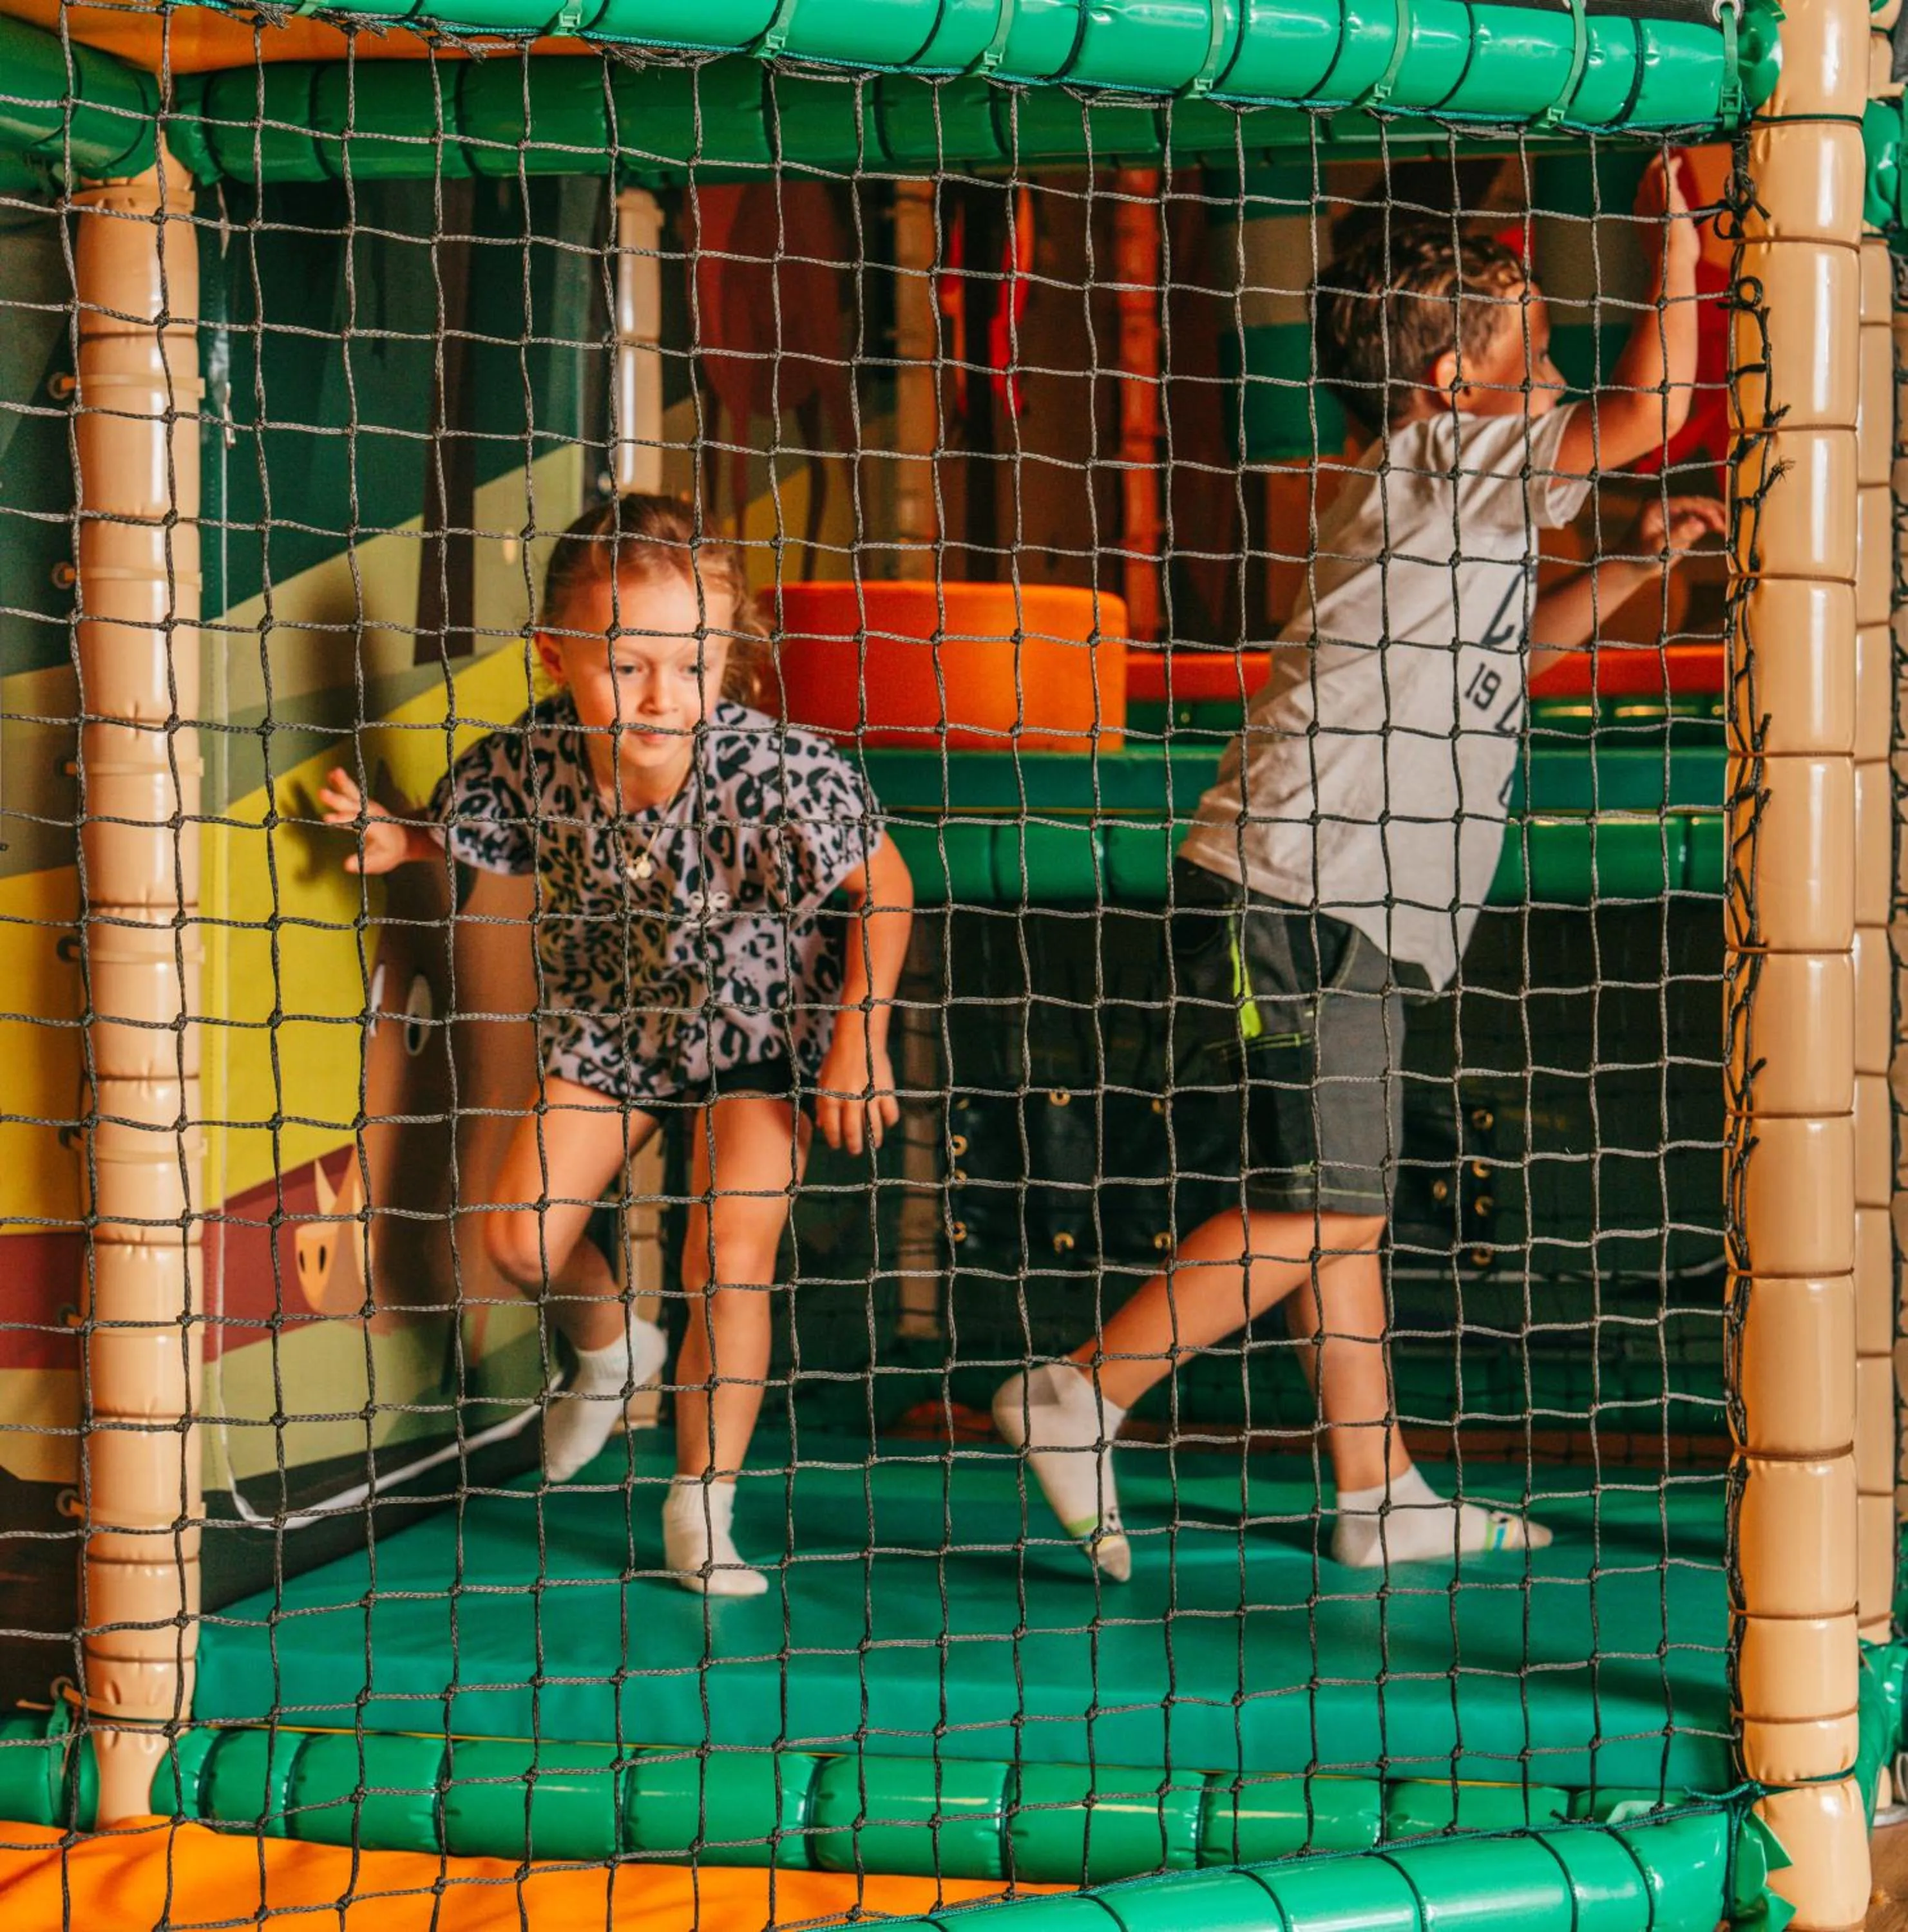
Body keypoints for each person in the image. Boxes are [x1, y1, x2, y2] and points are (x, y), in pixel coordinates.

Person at [995, 156, 1725, 1580]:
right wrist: (1677, 248)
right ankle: (1082, 1387)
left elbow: (1513, 659)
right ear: (1451, 380)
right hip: (1303, 890)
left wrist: (1633, 569)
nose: (1558, 366)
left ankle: (1376, 1488)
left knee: (1341, 1211)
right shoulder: (1444, 461)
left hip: (1345, 898)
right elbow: (1650, 414)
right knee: (1327, 1201)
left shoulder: (1451, 501)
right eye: (1531, 337)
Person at [321, 493, 915, 1597]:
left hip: (766, 1018)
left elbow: (884, 886)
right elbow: (471, 827)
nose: (660, 697)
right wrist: (394, 837)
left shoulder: (768, 773)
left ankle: (704, 1506)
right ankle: (610, 1346)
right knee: (515, 1238)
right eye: (626, 664)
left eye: (691, 665)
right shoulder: (539, 756)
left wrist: (859, 1041)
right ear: (556, 656)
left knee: (725, 1261)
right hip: (621, 1015)